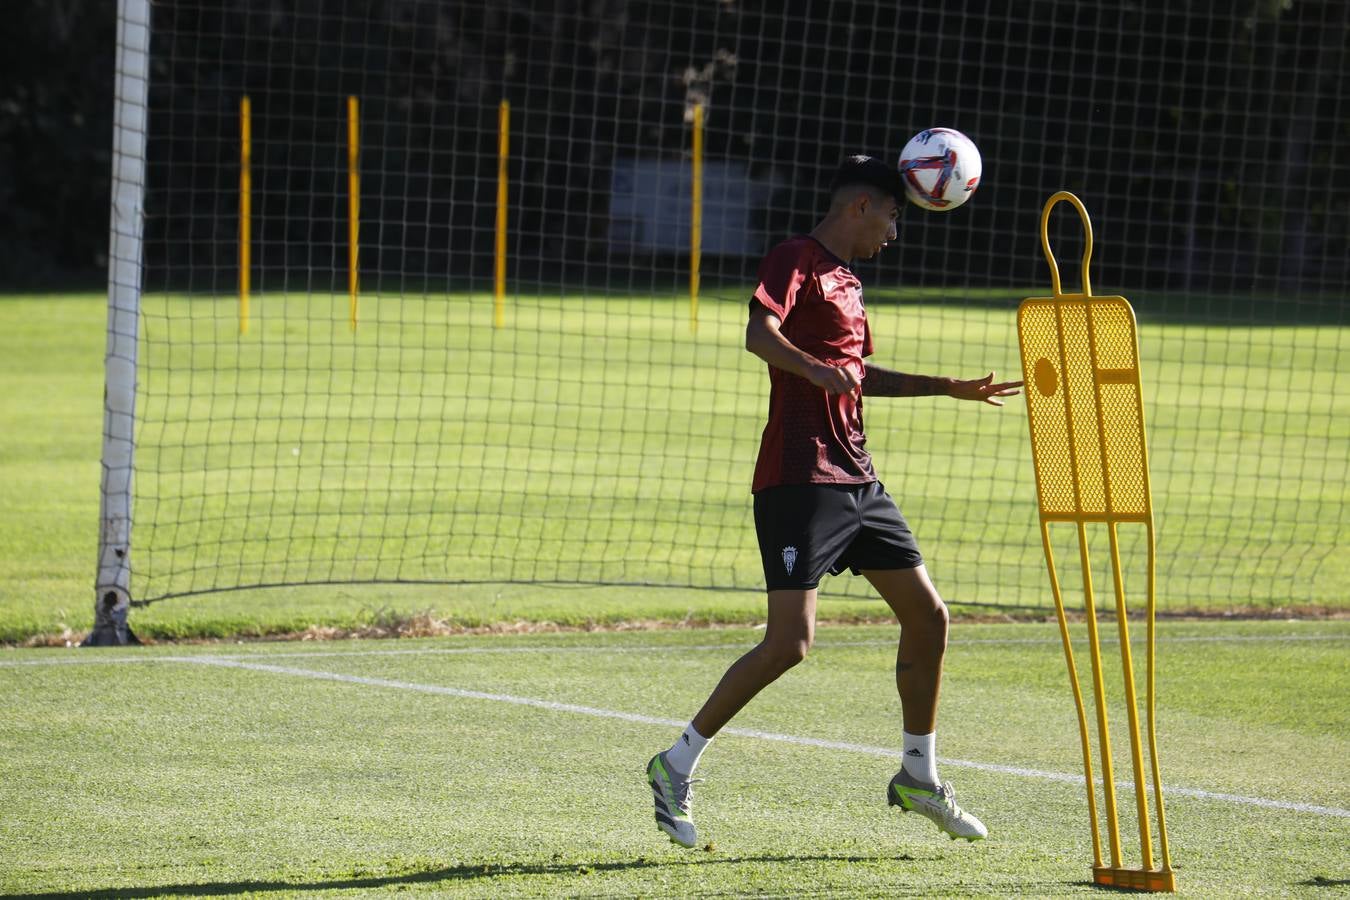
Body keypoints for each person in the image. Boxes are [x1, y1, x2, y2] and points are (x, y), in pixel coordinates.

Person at [646, 154, 1022, 848]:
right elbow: (760, 333)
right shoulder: (798, 258)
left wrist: (947, 387)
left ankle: (918, 776)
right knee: (791, 643)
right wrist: (814, 367)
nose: (895, 231)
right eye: (893, 215)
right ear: (860, 207)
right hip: (799, 479)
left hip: (858, 479)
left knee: (930, 617)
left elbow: (856, 377)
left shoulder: (850, 282)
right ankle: (676, 763)